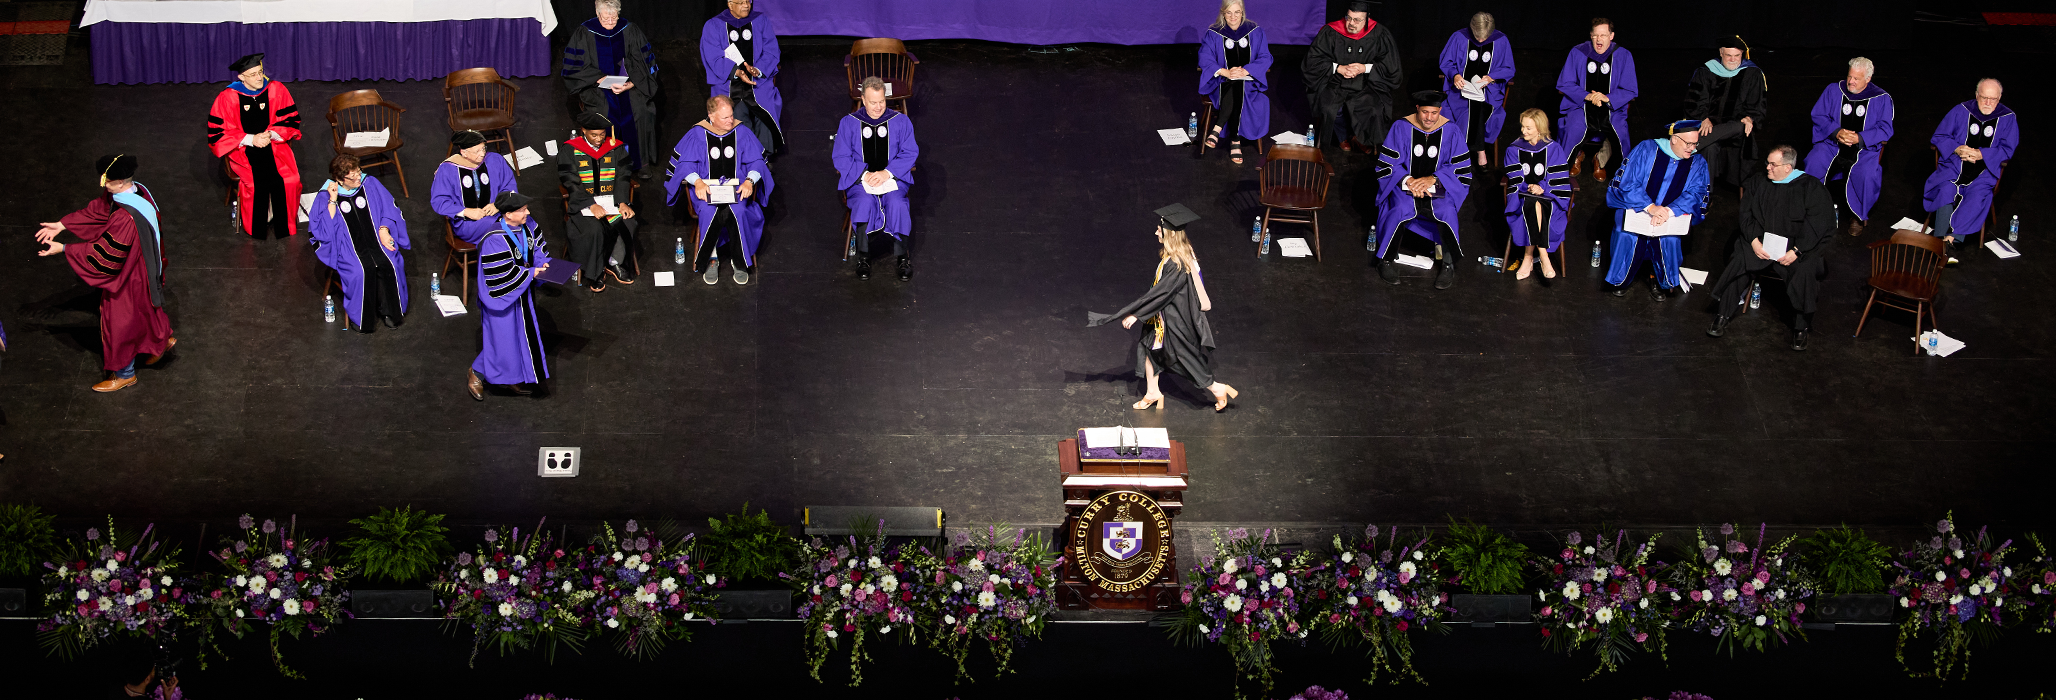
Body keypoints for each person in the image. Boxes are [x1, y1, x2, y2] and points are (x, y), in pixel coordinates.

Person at [33, 155, 175, 393]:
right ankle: (160, 341)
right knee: (144, 307)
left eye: (108, 181)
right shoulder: (140, 192)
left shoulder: (125, 218)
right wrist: (63, 224)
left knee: (117, 318)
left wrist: (65, 248)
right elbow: (98, 211)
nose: (103, 184)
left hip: (130, 273)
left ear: (120, 182)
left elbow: (105, 255)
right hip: (147, 265)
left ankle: (124, 374)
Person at [1086, 204, 1240, 412]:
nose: (1156, 232)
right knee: (1148, 348)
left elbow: (1161, 294)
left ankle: (1217, 387)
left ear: (1169, 233)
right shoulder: (1179, 254)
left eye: (1159, 229)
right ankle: (1152, 392)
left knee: (1184, 357)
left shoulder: (1176, 263)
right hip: (1165, 317)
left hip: (1175, 321)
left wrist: (1137, 314)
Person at [1706, 145, 1835, 350]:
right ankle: (1722, 315)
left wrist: (1796, 251)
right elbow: (1746, 214)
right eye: (1767, 162)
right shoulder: (1759, 182)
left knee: (1804, 271)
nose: (1767, 167)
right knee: (1740, 258)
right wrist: (1755, 242)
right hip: (1761, 241)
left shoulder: (1810, 187)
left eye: (1773, 164)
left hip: (1795, 248)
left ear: (1788, 167)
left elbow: (1819, 225)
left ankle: (1800, 328)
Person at [666, 96, 773, 286]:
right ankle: (711, 258)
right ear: (711, 116)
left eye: (731, 116)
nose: (730, 121)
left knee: (739, 210)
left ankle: (739, 261)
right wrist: (696, 181)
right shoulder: (697, 134)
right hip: (706, 190)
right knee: (709, 210)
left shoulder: (742, 132)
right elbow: (684, 164)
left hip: (737, 189)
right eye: (725, 118)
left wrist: (750, 181)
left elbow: (757, 161)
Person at [1373, 91, 1473, 289]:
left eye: (1434, 113)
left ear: (1440, 111)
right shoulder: (1401, 127)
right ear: (1417, 109)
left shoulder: (1451, 130)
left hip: (1438, 185)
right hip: (1405, 184)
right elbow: (1387, 163)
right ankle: (1386, 260)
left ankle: (1448, 263)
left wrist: (1433, 179)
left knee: (1446, 210)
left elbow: (1460, 168)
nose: (1429, 118)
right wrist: (1409, 180)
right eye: (1425, 112)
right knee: (1401, 207)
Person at [1604, 121, 1709, 301]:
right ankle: (1622, 279)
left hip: (1670, 216)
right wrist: (1650, 207)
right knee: (1627, 235)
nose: (1692, 148)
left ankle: (1659, 280)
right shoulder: (1647, 149)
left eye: (1695, 144)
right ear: (1674, 139)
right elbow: (1628, 182)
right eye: (1688, 143)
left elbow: (1696, 193)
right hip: (1638, 209)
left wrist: (1669, 210)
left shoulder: (1697, 162)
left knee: (1668, 239)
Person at [309, 154, 409, 331]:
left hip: (377, 239)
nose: (358, 177)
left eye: (358, 171)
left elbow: (389, 207)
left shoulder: (369, 183)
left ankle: (391, 313)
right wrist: (333, 200)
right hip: (348, 247)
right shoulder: (325, 196)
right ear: (340, 179)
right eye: (352, 175)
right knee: (360, 271)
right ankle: (364, 317)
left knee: (391, 263)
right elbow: (324, 231)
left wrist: (384, 229)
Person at [1920, 78, 2016, 264]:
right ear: (1976, 95)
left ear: (2000, 98)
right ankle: (1940, 239)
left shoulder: (2007, 118)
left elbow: (2007, 149)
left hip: (1984, 172)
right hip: (1955, 167)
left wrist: (1982, 154)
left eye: (1993, 99)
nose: (1988, 103)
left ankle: (1951, 239)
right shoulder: (1961, 110)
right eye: (1984, 97)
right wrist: (1957, 148)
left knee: (1977, 194)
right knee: (1946, 188)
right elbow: (1939, 136)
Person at [834, 77, 921, 281]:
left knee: (898, 203)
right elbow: (840, 157)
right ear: (863, 99)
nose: (878, 107)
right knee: (864, 202)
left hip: (892, 179)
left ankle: (902, 257)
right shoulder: (849, 123)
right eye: (873, 102)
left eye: (882, 101)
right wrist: (865, 175)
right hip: (860, 181)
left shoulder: (900, 121)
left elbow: (910, 152)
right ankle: (864, 257)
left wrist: (886, 173)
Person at [207, 53, 302, 238]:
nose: (259, 78)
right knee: (255, 183)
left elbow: (290, 120)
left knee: (290, 180)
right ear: (241, 77)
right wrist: (251, 139)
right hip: (242, 149)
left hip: (274, 145)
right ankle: (260, 223)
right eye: (253, 74)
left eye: (260, 72)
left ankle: (283, 220)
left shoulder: (276, 89)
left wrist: (272, 134)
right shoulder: (227, 97)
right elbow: (218, 133)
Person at [468, 192, 551, 401]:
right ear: (507, 214)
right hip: (502, 298)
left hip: (523, 293)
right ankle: (476, 373)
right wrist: (531, 273)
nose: (528, 212)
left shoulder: (529, 224)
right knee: (502, 341)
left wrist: (542, 263)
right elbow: (501, 275)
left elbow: (538, 249)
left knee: (517, 339)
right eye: (522, 210)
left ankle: (511, 378)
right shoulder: (493, 239)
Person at [562, 0, 660, 175]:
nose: (610, 22)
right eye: (606, 18)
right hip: (597, 88)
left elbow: (643, 63)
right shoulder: (584, 32)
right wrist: (599, 78)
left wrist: (631, 84)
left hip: (628, 84)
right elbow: (574, 69)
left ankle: (639, 162)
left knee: (640, 110)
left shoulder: (629, 29)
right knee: (603, 111)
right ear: (598, 14)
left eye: (614, 17)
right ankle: (605, 162)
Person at [1801, 57, 1893, 236]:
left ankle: (1857, 216)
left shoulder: (1882, 98)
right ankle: (1810, 208)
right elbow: (1818, 115)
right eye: (1850, 76)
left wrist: (1859, 137)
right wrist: (1837, 132)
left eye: (1856, 79)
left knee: (1866, 174)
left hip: (1863, 150)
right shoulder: (1834, 90)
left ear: (1868, 79)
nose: (1850, 81)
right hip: (1832, 144)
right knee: (1814, 161)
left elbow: (1885, 128)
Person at [1301, 0, 1401, 152]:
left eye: (1357, 20)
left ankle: (1360, 138)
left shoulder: (1379, 33)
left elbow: (1391, 66)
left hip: (1366, 83)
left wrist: (1364, 68)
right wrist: (1337, 68)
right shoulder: (1331, 31)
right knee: (1329, 108)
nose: (1351, 23)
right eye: (1349, 18)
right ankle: (1343, 137)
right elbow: (1312, 62)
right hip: (1335, 83)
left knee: (1373, 108)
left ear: (1367, 19)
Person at [560, 111, 642, 292]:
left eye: (602, 134)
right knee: (593, 229)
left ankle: (615, 263)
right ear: (583, 131)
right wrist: (590, 203)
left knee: (627, 222)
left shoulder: (615, 148)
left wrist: (622, 202)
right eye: (594, 135)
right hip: (583, 204)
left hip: (611, 201)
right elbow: (570, 181)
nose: (599, 139)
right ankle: (595, 271)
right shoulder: (569, 149)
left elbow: (623, 176)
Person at [1555, 18, 1636, 181]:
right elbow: (1565, 83)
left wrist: (1607, 98)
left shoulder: (1623, 55)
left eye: (1603, 35)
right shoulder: (1578, 52)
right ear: (1590, 35)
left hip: (1611, 109)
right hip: (1581, 106)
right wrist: (1587, 95)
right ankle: (1559, 177)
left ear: (1611, 36)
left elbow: (1630, 89)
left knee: (1621, 138)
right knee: (1573, 131)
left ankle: (1605, 164)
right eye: (1595, 35)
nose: (1599, 40)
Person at [701, 0, 785, 155]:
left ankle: (763, 158)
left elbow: (771, 50)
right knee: (736, 115)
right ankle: (745, 157)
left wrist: (757, 70)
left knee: (765, 111)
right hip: (728, 83)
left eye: (748, 1)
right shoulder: (714, 25)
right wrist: (737, 72)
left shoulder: (760, 20)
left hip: (757, 82)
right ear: (730, 4)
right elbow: (712, 57)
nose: (746, 5)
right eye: (740, 2)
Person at [1683, 36, 1767, 188]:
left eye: (1737, 55)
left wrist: (1750, 118)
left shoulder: (1752, 73)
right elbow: (1695, 101)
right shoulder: (1705, 71)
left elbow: (1757, 104)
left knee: (1741, 127)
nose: (1733, 59)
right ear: (1721, 53)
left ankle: (1695, 143)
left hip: (1735, 129)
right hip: (1709, 126)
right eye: (1729, 55)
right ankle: (1705, 195)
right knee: (1710, 147)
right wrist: (1703, 118)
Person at [1198, 0, 1272, 165]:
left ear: (1242, 13)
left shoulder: (1255, 31)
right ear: (1223, 13)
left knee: (1239, 84)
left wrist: (1246, 70)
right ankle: (1234, 140)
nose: (1233, 17)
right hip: (1222, 84)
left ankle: (1218, 128)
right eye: (1229, 12)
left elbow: (1266, 57)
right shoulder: (1214, 33)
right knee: (1235, 84)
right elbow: (1204, 57)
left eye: (1237, 12)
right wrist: (1226, 72)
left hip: (1249, 83)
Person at [1503, 108, 1573, 280]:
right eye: (1523, 127)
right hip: (1522, 197)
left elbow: (1559, 178)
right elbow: (1514, 177)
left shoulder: (1554, 149)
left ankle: (1528, 257)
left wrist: (1542, 188)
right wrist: (1529, 187)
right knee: (1532, 204)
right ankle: (1543, 256)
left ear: (1540, 129)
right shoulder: (1514, 149)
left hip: (1551, 199)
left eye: (1528, 128)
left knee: (1536, 204)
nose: (1523, 131)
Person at [1439, 12, 1514, 167]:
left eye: (1484, 37)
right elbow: (1446, 62)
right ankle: (1480, 151)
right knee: (1469, 111)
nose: (1480, 40)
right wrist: (1455, 75)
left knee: (1481, 107)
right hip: (1460, 90)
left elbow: (1509, 68)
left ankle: (1461, 155)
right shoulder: (1459, 37)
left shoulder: (1500, 40)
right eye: (1477, 36)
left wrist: (1492, 77)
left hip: (1489, 91)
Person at [432, 131, 519, 245]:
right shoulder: (448, 169)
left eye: (483, 148)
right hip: (467, 223)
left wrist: (498, 204)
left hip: (498, 213)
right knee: (506, 227)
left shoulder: (495, 159)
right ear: (464, 152)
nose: (482, 154)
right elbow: (439, 201)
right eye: (477, 151)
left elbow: (509, 185)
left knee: (522, 219)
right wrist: (466, 212)